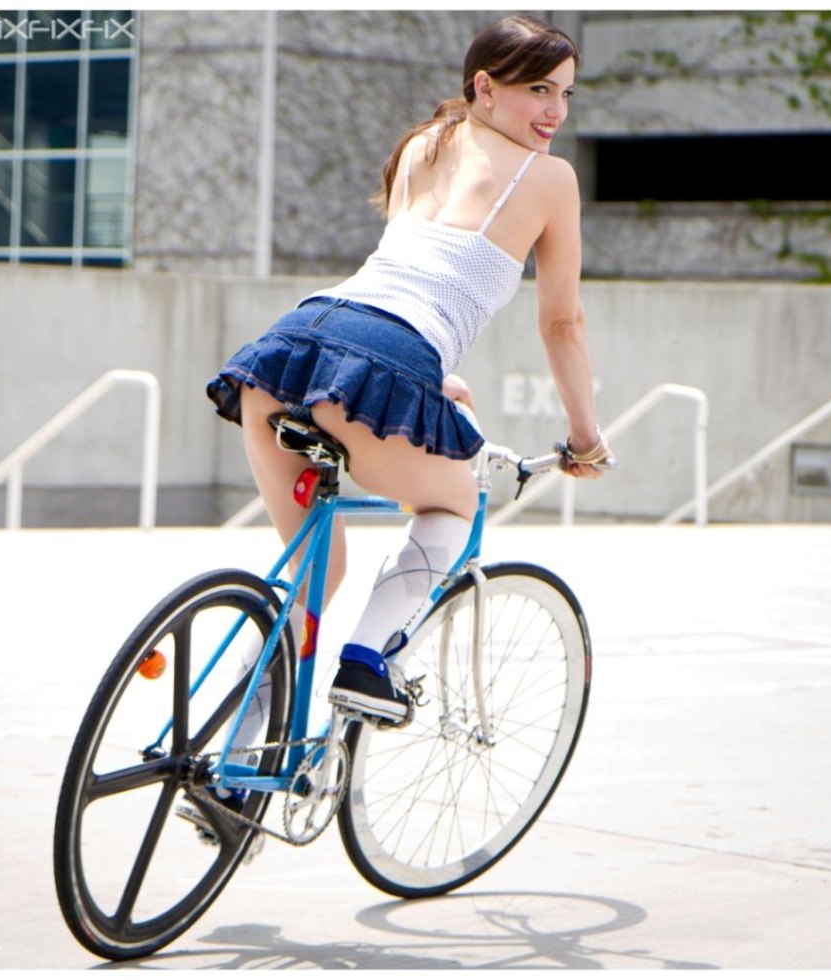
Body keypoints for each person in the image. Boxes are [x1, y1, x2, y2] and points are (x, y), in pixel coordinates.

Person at [207, 13, 612, 728]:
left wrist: (434, 376)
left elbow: (404, 274)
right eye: (539, 89)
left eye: (566, 94)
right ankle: (367, 662)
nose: (555, 111)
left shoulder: (424, 144)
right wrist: (586, 437)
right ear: (485, 87)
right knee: (454, 507)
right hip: (378, 356)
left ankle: (229, 757)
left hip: (290, 347)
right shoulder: (551, 178)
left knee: (313, 575)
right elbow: (561, 324)